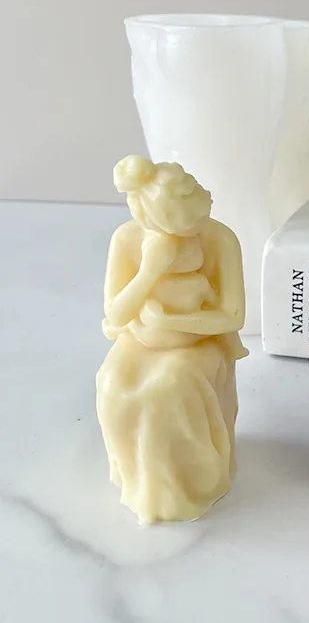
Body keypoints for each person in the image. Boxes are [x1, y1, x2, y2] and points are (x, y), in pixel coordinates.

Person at [96, 155, 247, 523]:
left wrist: (172, 320)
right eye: (181, 228)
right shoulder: (127, 239)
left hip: (200, 342)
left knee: (170, 385)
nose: (194, 232)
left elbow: (233, 316)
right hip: (140, 341)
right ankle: (139, 481)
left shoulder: (220, 239)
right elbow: (115, 313)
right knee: (112, 382)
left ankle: (188, 486)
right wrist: (150, 270)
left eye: (197, 221)